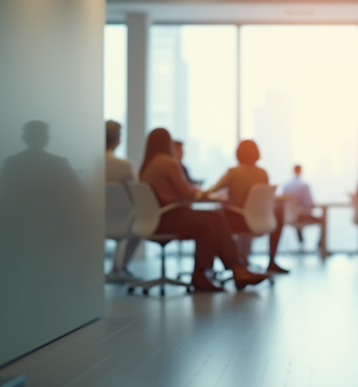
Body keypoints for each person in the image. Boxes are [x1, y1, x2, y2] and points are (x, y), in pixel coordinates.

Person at [139, 129, 269, 291]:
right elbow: (189, 193)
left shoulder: (149, 165)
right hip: (168, 218)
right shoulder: (168, 162)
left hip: (158, 219)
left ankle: (210, 273)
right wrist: (202, 193)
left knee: (209, 223)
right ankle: (232, 269)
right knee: (214, 218)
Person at [202, 140, 288, 274]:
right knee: (279, 212)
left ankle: (215, 268)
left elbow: (213, 190)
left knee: (215, 217)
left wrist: (198, 193)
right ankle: (271, 261)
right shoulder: (263, 173)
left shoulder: (234, 172)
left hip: (239, 220)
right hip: (261, 220)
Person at [105, 121, 140, 282]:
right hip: (123, 221)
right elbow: (137, 192)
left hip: (94, 220)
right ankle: (121, 267)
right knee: (140, 226)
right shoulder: (124, 165)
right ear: (117, 139)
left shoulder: (90, 163)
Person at [282, 165, 322, 246]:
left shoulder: (286, 185)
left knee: (298, 216)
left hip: (287, 217)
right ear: (301, 171)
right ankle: (320, 245)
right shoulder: (304, 185)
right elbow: (309, 204)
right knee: (322, 220)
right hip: (298, 217)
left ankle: (301, 243)